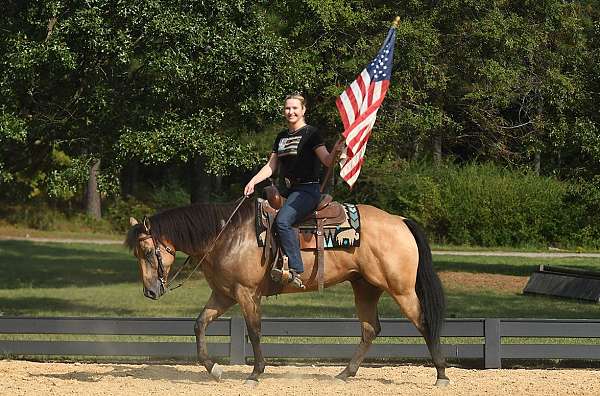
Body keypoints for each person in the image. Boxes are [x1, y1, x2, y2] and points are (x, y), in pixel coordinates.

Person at [244, 93, 344, 289]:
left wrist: (336, 151)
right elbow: (271, 166)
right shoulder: (281, 137)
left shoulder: (311, 133)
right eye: (287, 108)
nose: (290, 112)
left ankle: (296, 270)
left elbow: (326, 161)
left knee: (283, 220)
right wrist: (253, 181)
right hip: (287, 192)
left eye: (295, 108)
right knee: (261, 215)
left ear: (303, 110)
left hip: (307, 190)